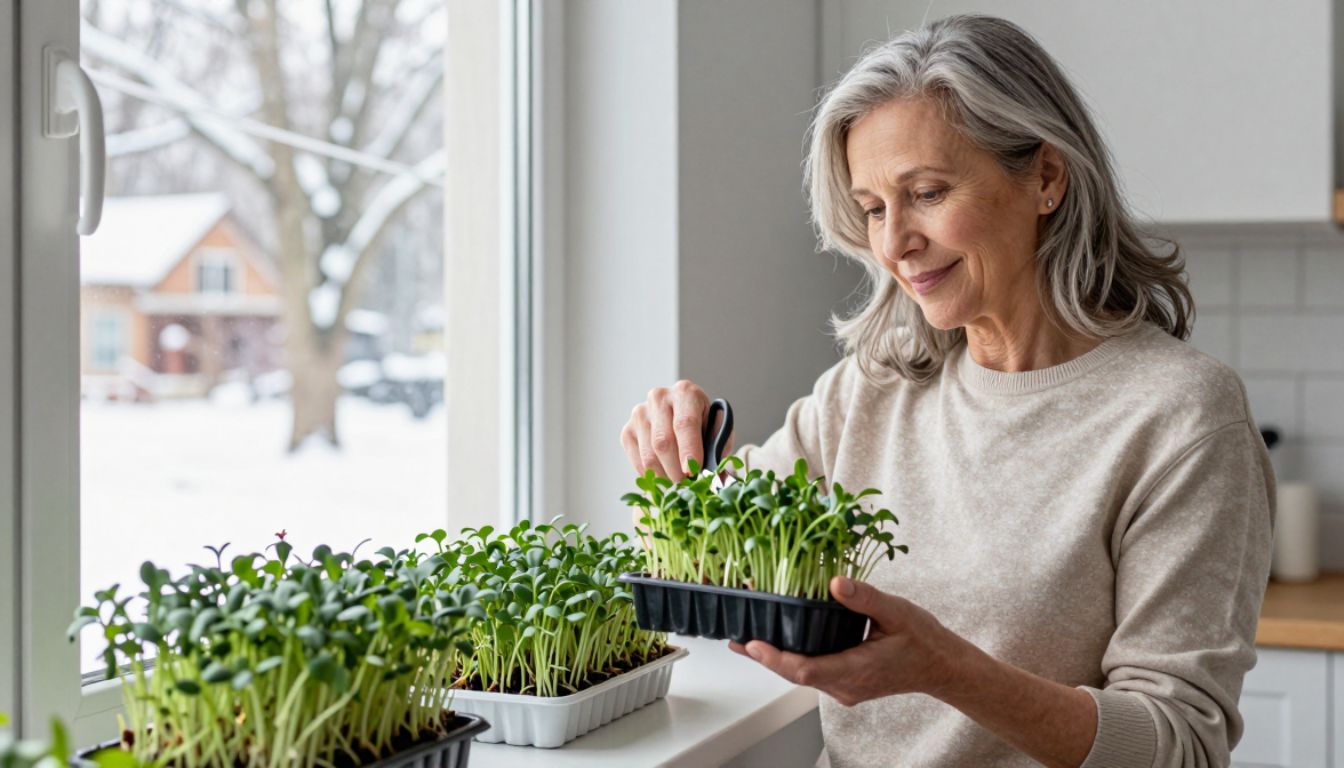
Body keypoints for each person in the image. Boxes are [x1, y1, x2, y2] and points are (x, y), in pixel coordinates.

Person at [619, 14, 1273, 768]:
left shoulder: (1180, 416)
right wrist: (678, 458)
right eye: (871, 209)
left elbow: (1181, 745)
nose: (894, 243)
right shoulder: (870, 389)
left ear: (1046, 179)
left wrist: (948, 672)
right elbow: (713, 561)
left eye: (926, 193)